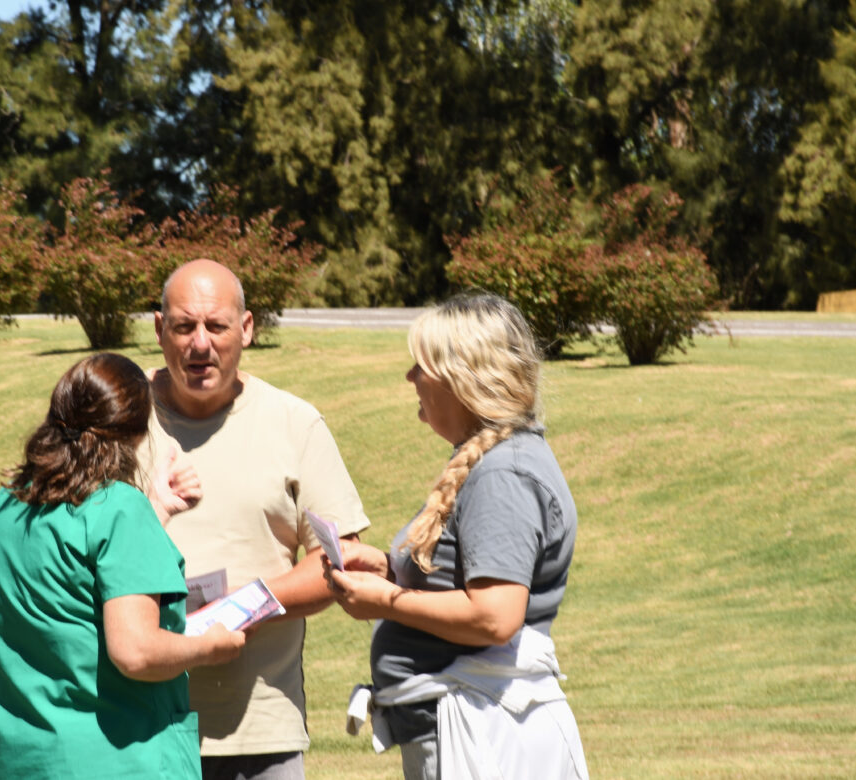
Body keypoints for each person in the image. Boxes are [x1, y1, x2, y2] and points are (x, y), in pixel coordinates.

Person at [327, 293, 590, 780]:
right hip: (466, 727)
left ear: (464, 379)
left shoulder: (503, 474)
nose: (410, 378)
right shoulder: (492, 462)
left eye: (420, 366)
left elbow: (494, 617)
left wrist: (386, 600)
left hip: (483, 735)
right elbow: (467, 579)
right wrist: (388, 567)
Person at [142, 258, 370, 780]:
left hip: (259, 728)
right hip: (137, 726)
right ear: (159, 330)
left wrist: (237, 610)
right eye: (183, 326)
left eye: (216, 326)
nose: (200, 343)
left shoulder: (294, 423)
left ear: (246, 329)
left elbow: (338, 564)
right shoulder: (121, 420)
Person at [0, 352, 246, 779]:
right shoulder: (119, 508)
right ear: (136, 432)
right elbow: (136, 652)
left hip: (28, 759)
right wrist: (211, 647)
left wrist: (155, 510)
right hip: (118, 758)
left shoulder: (9, 503)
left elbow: (74, 575)